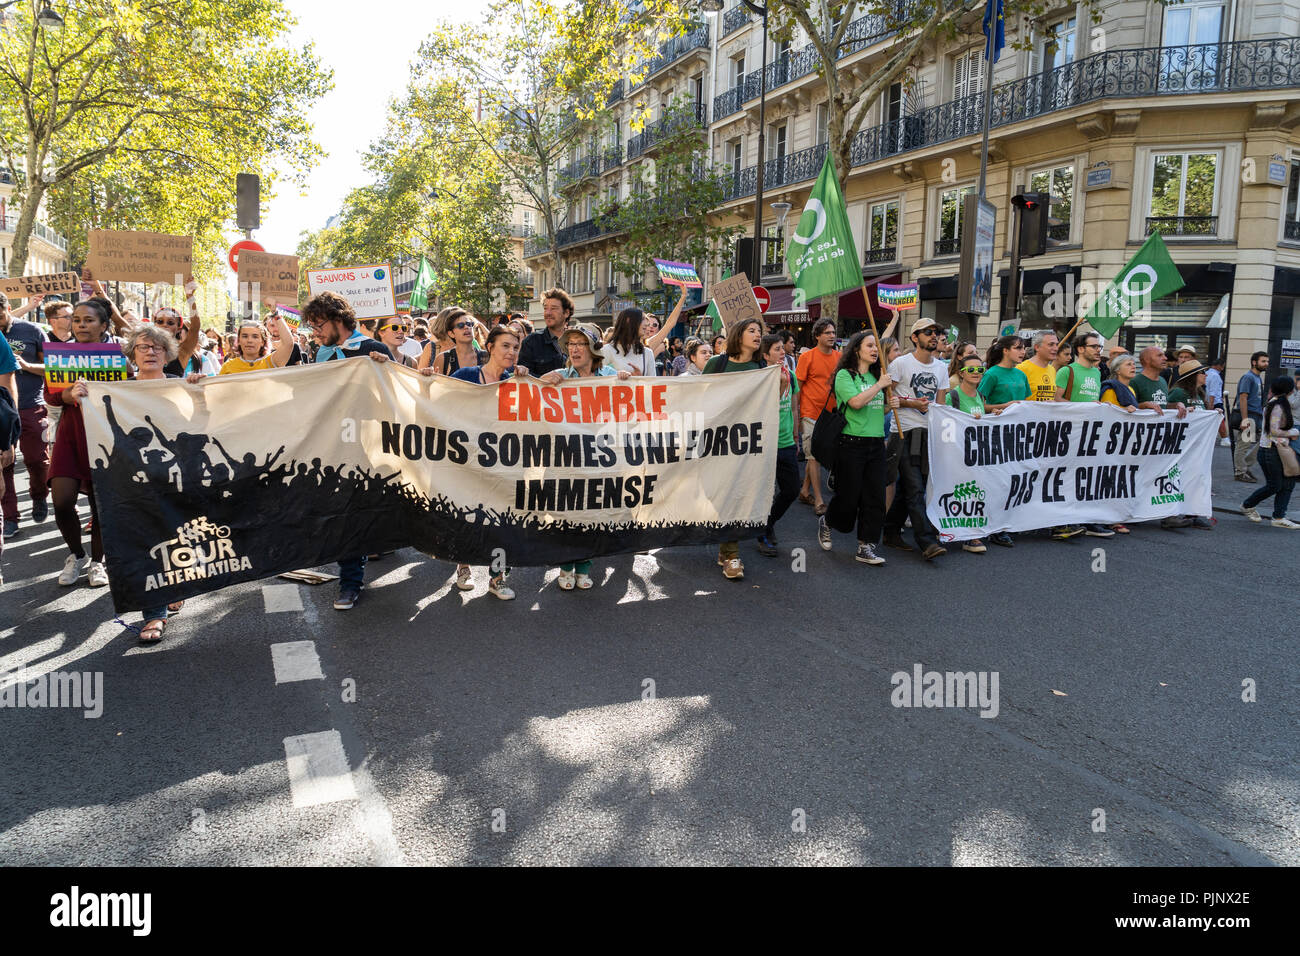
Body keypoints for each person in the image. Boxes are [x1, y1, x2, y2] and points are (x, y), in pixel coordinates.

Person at [304, 291, 393, 611]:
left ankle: (380, 544)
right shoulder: (320, 354)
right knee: (344, 515)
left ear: (337, 319)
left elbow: (396, 395)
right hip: (335, 445)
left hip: (370, 445)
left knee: (371, 511)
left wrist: (385, 371)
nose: (315, 332)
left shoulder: (373, 349)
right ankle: (350, 582)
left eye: (318, 324)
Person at [539, 325, 630, 589]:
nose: (575, 349)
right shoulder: (562, 374)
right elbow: (533, 385)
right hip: (567, 457)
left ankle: (584, 567)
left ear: (592, 349)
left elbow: (629, 397)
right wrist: (548, 379)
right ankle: (566, 566)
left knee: (592, 511)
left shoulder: (609, 375)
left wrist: (623, 380)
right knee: (566, 512)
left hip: (598, 456)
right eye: (571, 344)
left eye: (580, 344)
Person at [449, 324, 528, 600]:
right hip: (467, 463)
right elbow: (437, 402)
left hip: (501, 465)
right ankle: (463, 568)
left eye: (516, 347)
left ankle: (496, 579)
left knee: (501, 523)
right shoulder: (467, 375)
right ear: (490, 347)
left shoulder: (516, 382)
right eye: (505, 345)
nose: (511, 352)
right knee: (467, 517)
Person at [46, 298, 119, 589]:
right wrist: (68, 394)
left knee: (101, 505)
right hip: (70, 435)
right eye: (76, 320)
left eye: (89, 320)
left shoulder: (119, 355)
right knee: (62, 501)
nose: (81, 325)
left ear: (103, 326)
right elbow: (51, 397)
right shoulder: (60, 355)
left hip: (104, 437)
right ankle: (76, 555)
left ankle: (98, 561)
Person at [817, 331, 893, 566]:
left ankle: (865, 546)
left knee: (875, 498)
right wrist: (879, 386)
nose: (874, 349)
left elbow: (878, 409)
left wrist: (892, 404)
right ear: (856, 350)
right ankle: (828, 522)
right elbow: (856, 403)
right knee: (849, 497)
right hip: (851, 444)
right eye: (869, 345)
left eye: (875, 346)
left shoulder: (876, 376)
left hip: (876, 443)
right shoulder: (844, 375)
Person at [704, 317, 765, 580]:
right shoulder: (717, 364)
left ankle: (728, 551)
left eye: (760, 331)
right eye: (752, 330)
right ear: (738, 335)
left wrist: (781, 384)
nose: (757, 335)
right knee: (726, 494)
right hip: (718, 439)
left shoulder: (762, 367)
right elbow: (698, 394)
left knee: (739, 494)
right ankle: (730, 553)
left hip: (747, 442)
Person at [882, 318, 947, 560]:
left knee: (911, 486)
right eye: (928, 332)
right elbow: (888, 398)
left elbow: (940, 404)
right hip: (904, 432)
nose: (934, 335)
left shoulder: (940, 368)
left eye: (936, 331)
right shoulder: (900, 364)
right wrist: (911, 403)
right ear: (914, 337)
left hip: (928, 433)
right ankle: (927, 541)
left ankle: (890, 531)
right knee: (915, 487)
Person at [0, 292, 51, 536]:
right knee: (4, 464)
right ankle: (10, 517)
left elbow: (53, 368)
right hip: (2, 412)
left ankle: (40, 496)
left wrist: (28, 366)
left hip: (31, 406)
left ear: (8, 307)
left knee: (37, 460)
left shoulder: (31, 331)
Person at [1054, 331, 1113, 538]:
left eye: (1099, 347)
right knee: (1068, 476)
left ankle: (1087, 519)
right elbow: (1057, 400)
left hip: (1091, 432)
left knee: (1087, 476)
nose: (1098, 350)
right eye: (1094, 346)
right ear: (1081, 349)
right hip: (1070, 432)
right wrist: (1084, 407)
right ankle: (1065, 520)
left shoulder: (1097, 373)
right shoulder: (1067, 371)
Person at [755, 334, 800, 558]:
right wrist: (778, 385)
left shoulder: (791, 375)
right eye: (776, 349)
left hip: (786, 443)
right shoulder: (760, 378)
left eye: (783, 348)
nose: (782, 352)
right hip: (764, 443)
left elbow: (794, 407)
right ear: (765, 355)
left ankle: (768, 523)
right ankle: (762, 534)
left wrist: (796, 434)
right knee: (763, 492)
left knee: (791, 489)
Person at [1241, 376, 1299, 529]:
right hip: (1270, 450)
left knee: (1288, 483)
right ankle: (1248, 505)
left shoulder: (1280, 403)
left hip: (1278, 449)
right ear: (1289, 390)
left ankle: (1279, 517)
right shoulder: (1277, 405)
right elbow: (1274, 431)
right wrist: (1293, 432)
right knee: (1275, 485)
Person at [795, 318, 840, 516]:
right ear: (817, 336)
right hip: (810, 413)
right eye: (828, 333)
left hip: (831, 415)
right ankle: (819, 500)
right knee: (813, 455)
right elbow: (798, 389)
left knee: (819, 454)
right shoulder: (807, 358)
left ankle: (805, 490)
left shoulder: (840, 357)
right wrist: (797, 417)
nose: (832, 336)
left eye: (833, 332)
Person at [601, 289, 683, 375]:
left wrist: (639, 379)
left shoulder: (647, 353)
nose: (647, 324)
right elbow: (596, 381)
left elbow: (652, 384)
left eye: (655, 325)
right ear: (629, 321)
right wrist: (617, 376)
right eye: (643, 319)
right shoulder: (606, 350)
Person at [518, 288, 573, 376]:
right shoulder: (531, 341)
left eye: (554, 308)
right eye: (545, 308)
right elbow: (524, 378)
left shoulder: (577, 340)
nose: (548, 313)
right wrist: (543, 380)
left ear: (566, 313)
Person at [1234, 351, 1269, 482]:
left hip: (1257, 416)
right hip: (1249, 415)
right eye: (1263, 361)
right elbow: (1243, 398)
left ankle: (1244, 466)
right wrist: (1245, 419)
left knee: (1262, 442)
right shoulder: (1248, 377)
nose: (1266, 364)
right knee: (1243, 444)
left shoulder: (1257, 377)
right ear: (1254, 362)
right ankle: (1239, 471)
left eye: (1267, 361)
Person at [218, 316, 295, 374]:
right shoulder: (227, 366)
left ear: (262, 342)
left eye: (255, 337)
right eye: (245, 336)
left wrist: (276, 315)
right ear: (239, 341)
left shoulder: (271, 362)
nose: (249, 340)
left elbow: (288, 344)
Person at [978, 335, 1029, 414]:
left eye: (1023, 348)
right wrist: (1005, 406)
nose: (1023, 352)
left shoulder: (1022, 374)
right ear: (1005, 350)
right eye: (1018, 348)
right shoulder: (991, 374)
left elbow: (1025, 403)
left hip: (1019, 423)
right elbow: (978, 405)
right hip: (998, 423)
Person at [1017, 330, 1060, 403]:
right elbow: (1014, 401)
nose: (1056, 348)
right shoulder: (1021, 369)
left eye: (1056, 344)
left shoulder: (1052, 369)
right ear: (1037, 347)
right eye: (1051, 344)